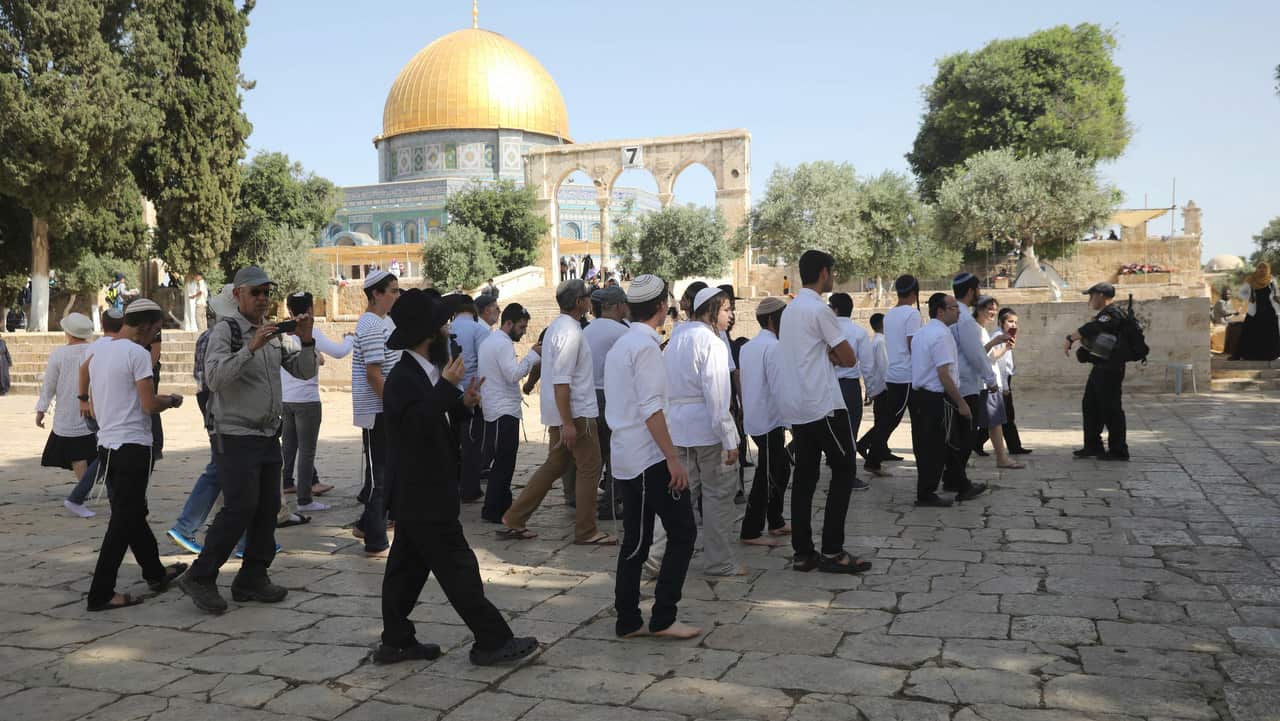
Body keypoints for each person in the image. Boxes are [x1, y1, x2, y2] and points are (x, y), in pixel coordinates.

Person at [375, 289, 539, 666]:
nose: (450, 331)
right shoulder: (403, 377)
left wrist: (462, 404)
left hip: (424, 494)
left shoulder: (426, 372)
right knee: (459, 570)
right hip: (424, 493)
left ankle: (396, 640)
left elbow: (436, 418)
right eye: (444, 326)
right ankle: (492, 641)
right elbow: (415, 425)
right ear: (429, 335)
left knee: (405, 572)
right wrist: (449, 389)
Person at [177, 266, 318, 615]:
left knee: (268, 508)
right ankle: (201, 575)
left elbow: (304, 370)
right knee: (240, 506)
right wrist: (251, 348)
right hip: (235, 434)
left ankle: (253, 576)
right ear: (238, 294)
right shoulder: (225, 332)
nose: (262, 299)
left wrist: (307, 338)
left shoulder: (273, 333)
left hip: (269, 433)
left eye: (266, 292)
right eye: (255, 292)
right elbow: (214, 378)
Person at [605, 274, 701, 640]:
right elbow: (650, 409)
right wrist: (673, 459)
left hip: (630, 454)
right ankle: (662, 616)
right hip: (648, 457)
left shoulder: (624, 344)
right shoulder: (643, 347)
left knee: (637, 539)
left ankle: (628, 618)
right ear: (662, 306)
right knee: (681, 532)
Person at [85, 298, 186, 611]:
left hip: (107, 445)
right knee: (123, 521)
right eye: (155, 331)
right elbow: (148, 404)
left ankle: (155, 573)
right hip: (133, 447)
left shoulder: (100, 350)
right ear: (145, 327)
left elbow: (85, 377)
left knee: (132, 513)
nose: (154, 337)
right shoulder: (137, 354)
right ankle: (101, 592)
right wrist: (170, 400)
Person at [500, 278, 615, 545]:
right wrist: (569, 423)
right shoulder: (570, 333)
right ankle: (586, 530)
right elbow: (562, 381)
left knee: (555, 465)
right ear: (579, 303)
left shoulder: (558, 328)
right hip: (576, 415)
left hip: (564, 414)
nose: (590, 300)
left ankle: (515, 517)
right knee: (590, 468)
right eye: (587, 296)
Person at [777, 250, 871, 574]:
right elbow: (848, 357)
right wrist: (832, 354)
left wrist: (826, 354)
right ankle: (832, 550)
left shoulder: (791, 311)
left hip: (800, 406)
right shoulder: (820, 309)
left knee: (805, 477)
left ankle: (803, 553)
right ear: (823, 273)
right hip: (824, 405)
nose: (833, 277)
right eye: (832, 272)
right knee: (844, 470)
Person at [661, 287, 741, 576]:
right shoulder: (712, 342)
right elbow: (718, 396)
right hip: (707, 430)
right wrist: (729, 438)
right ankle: (719, 561)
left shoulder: (677, 338)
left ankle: (655, 558)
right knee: (718, 496)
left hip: (678, 428)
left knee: (678, 494)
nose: (730, 316)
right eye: (726, 309)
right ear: (711, 310)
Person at [167, 287, 236, 553]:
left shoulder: (207, 337)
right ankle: (186, 526)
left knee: (228, 471)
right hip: (223, 410)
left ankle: (240, 537)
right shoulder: (223, 338)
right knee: (220, 469)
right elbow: (214, 380)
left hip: (212, 407)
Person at [908, 293, 982, 507]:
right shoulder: (942, 335)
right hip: (937, 396)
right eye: (953, 308)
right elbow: (943, 373)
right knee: (936, 446)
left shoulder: (923, 332)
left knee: (946, 443)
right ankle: (926, 493)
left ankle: (962, 485)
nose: (958, 311)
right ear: (940, 311)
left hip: (922, 396)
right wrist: (961, 403)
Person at [280, 291, 351, 513]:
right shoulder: (312, 332)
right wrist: (350, 338)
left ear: (289, 310)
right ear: (311, 309)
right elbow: (339, 353)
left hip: (286, 399)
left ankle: (287, 484)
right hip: (307, 400)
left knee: (288, 448)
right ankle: (305, 500)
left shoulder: (284, 333)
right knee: (307, 451)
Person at [351, 270, 402, 555]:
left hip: (385, 409)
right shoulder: (371, 325)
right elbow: (374, 374)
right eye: (392, 291)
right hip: (378, 411)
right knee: (379, 477)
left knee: (385, 474)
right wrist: (393, 406)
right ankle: (375, 540)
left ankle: (365, 525)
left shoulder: (384, 322)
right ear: (376, 295)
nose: (396, 296)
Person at [476, 303, 541, 523]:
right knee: (503, 463)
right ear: (509, 323)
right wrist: (532, 356)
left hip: (499, 409)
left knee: (504, 462)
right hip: (502, 412)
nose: (523, 333)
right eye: (521, 328)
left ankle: (502, 505)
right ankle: (494, 510)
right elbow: (513, 375)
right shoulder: (501, 344)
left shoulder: (492, 341)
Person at [738, 296, 791, 544]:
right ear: (772, 320)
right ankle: (751, 530)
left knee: (779, 469)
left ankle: (776, 520)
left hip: (757, 419)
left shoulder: (749, 347)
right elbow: (780, 388)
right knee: (768, 474)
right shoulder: (774, 347)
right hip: (770, 420)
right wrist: (792, 421)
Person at [37, 313, 97, 516]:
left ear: (67, 332)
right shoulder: (94, 351)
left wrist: (41, 409)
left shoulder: (59, 355)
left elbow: (49, 385)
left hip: (67, 411)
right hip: (95, 408)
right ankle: (87, 487)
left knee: (77, 454)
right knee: (90, 451)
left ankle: (83, 489)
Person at [858, 275, 918, 474]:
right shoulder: (912, 314)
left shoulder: (891, 314)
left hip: (894, 375)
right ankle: (872, 458)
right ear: (914, 292)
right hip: (906, 375)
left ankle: (871, 451)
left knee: (889, 419)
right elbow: (913, 345)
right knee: (891, 420)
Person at [1064, 282, 1130, 461]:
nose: (1090, 299)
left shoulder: (1112, 313)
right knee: (1090, 405)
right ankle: (1093, 446)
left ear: (1101, 295)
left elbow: (1094, 328)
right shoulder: (1105, 315)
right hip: (1100, 368)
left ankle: (1118, 450)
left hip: (1111, 369)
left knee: (1111, 408)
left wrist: (1071, 338)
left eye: (1091, 295)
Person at [947, 273, 999, 495]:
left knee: (958, 436)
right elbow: (975, 354)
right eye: (977, 289)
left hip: (955, 383)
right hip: (966, 385)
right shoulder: (964, 319)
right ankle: (960, 483)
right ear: (970, 292)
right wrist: (991, 379)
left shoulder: (952, 315)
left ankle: (951, 478)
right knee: (966, 437)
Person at [582, 285, 630, 521]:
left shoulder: (587, 330)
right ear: (619, 305)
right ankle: (611, 503)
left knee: (595, 456)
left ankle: (588, 504)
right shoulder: (621, 333)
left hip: (588, 396)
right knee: (615, 453)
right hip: (610, 395)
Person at [969, 296, 1024, 469]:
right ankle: (1001, 457)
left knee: (993, 422)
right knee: (991, 423)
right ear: (978, 309)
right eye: (988, 308)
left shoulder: (982, 330)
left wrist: (1005, 347)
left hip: (989, 383)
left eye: (994, 308)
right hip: (984, 384)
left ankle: (1001, 456)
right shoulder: (976, 330)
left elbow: (990, 357)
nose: (991, 312)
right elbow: (980, 356)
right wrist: (995, 343)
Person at [451, 294, 491, 502]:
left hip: (449, 391)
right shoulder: (480, 329)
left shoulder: (448, 328)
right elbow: (484, 363)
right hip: (472, 393)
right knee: (472, 443)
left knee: (453, 442)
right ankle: (470, 488)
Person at [828, 293, 873, 467]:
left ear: (836, 309)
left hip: (828, 385)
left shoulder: (826, 331)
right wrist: (870, 389)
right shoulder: (859, 332)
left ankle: (835, 463)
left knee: (830, 428)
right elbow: (867, 365)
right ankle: (847, 470)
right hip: (849, 386)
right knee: (850, 429)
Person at [994, 307, 1029, 454]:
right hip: (1001, 381)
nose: (1014, 325)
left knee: (1001, 416)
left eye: (1015, 322)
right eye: (1010, 321)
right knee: (1006, 416)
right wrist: (1005, 387)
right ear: (1001, 322)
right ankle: (1015, 447)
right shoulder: (998, 337)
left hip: (1006, 379)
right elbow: (998, 363)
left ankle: (977, 442)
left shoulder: (1007, 337)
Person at [1235, 262, 1280, 361]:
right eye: (1260, 267)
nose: (1262, 270)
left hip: (1269, 311)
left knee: (1269, 334)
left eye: (1264, 268)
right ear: (1257, 269)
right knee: (1250, 333)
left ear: (1268, 269)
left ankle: (1270, 355)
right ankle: (1250, 355)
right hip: (1255, 311)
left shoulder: (1272, 280)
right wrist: (1249, 297)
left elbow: (1276, 294)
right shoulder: (1251, 280)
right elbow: (1240, 293)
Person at [862, 312, 888, 421]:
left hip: (878, 388)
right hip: (883, 390)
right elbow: (884, 367)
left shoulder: (875, 341)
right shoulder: (881, 342)